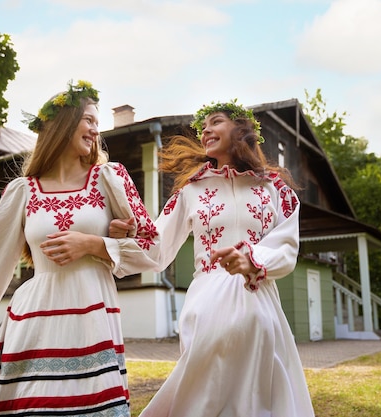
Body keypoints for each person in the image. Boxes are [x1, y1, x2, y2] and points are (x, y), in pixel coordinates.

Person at [0, 80, 159, 417]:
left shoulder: (109, 179)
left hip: (92, 318)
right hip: (34, 317)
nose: (94, 129)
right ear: (61, 125)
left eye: (96, 122)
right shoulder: (22, 191)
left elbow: (150, 247)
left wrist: (96, 243)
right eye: (87, 119)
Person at [109, 99, 315, 416]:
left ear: (242, 130)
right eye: (203, 127)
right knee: (204, 392)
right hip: (207, 300)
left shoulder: (275, 189)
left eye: (215, 122)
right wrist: (128, 235)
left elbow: (286, 246)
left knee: (259, 391)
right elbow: (157, 247)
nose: (206, 130)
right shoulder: (190, 191)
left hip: (257, 296)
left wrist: (252, 261)